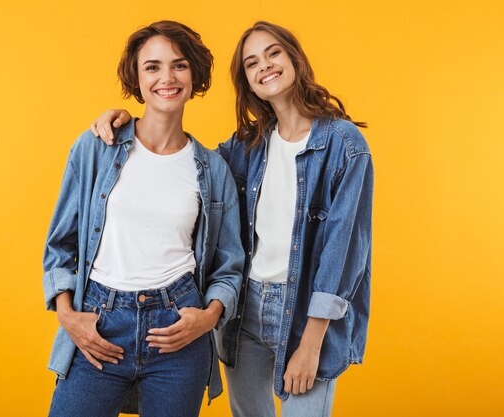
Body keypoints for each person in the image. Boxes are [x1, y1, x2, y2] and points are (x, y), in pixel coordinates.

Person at [90, 21, 373, 417]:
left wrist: (311, 345)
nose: (265, 67)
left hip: (306, 316)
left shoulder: (344, 145)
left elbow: (344, 254)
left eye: (273, 53)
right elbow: (183, 160)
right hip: (245, 312)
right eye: (252, 63)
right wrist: (125, 119)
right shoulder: (246, 147)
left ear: (294, 58)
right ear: (248, 82)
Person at [42, 20, 244, 417]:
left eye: (179, 65)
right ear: (136, 77)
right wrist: (68, 316)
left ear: (194, 75)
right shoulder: (97, 146)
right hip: (99, 324)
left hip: (177, 331)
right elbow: (61, 244)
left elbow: (230, 265)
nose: (166, 77)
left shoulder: (213, 169)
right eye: (152, 67)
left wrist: (208, 317)